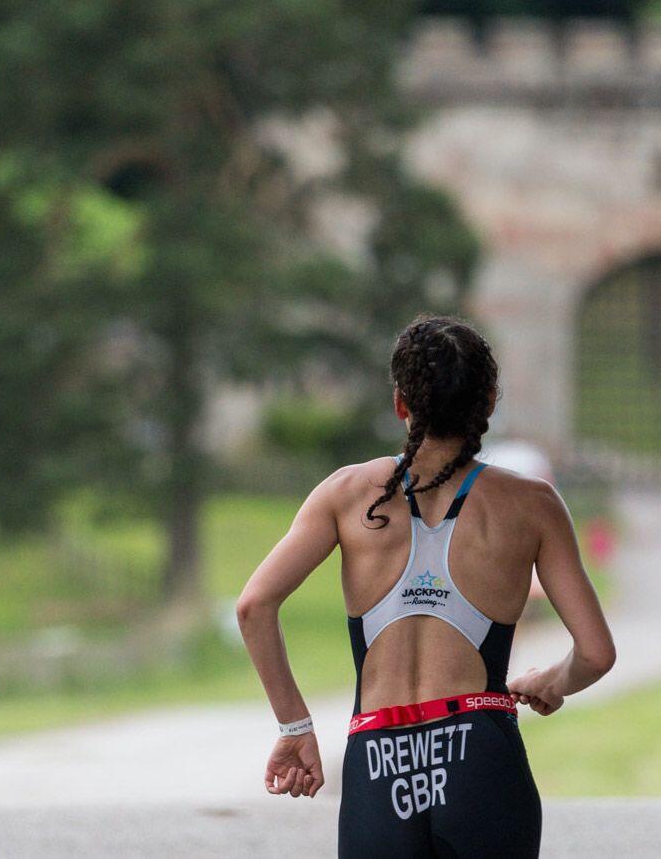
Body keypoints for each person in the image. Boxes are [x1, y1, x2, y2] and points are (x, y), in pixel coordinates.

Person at [235, 313, 616, 858]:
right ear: (488, 403)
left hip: (377, 761)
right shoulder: (532, 506)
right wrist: (552, 680)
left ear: (401, 404)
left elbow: (253, 606)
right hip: (483, 758)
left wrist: (295, 724)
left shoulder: (346, 494)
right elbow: (597, 653)